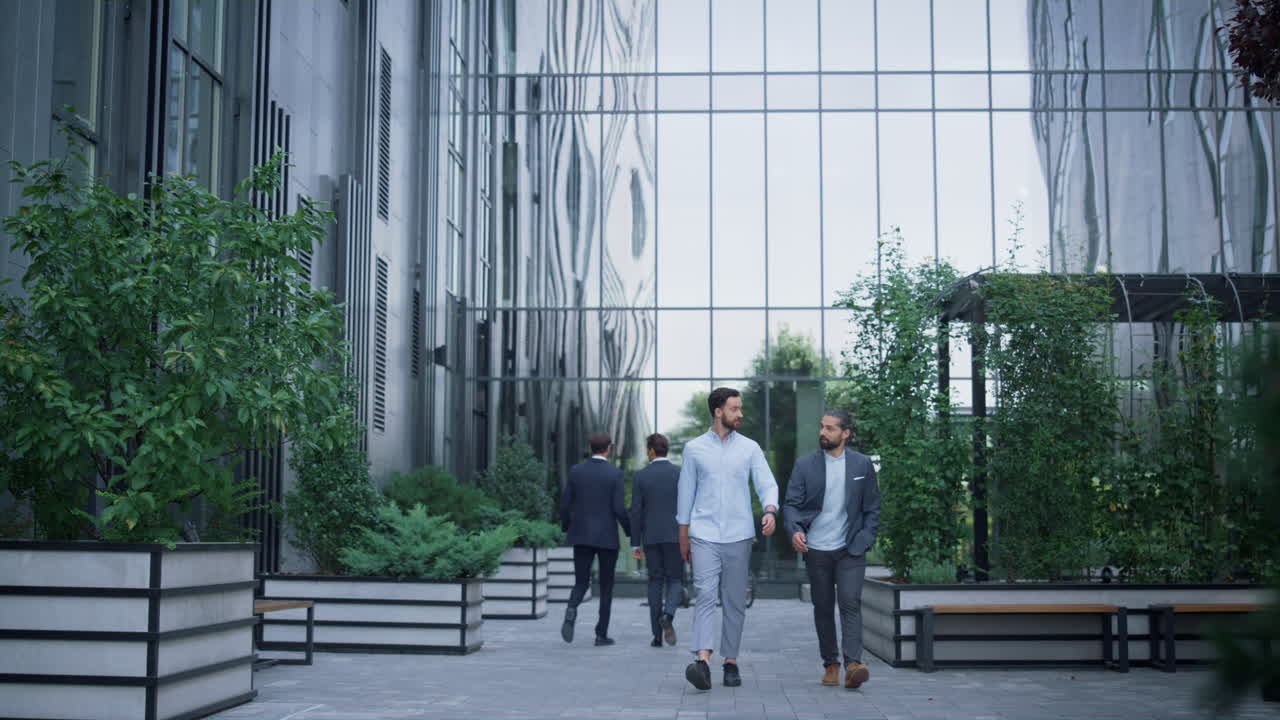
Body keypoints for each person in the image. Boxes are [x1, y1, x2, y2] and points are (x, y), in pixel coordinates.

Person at [676, 387, 779, 690]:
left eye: (740, 408)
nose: (740, 414)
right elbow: (686, 493)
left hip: (739, 534)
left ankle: (730, 661)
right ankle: (703, 660)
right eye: (735, 408)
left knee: (734, 601)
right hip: (704, 534)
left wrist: (771, 510)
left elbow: (766, 482)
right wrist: (683, 534)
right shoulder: (694, 449)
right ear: (718, 411)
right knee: (705, 594)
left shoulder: (749, 448)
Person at [782, 409, 881, 690]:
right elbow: (791, 505)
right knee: (823, 608)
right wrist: (795, 530)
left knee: (850, 603)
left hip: (850, 548)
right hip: (817, 549)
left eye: (830, 428)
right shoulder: (805, 465)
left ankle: (853, 665)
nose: (823, 433)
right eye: (822, 427)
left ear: (845, 433)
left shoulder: (862, 465)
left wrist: (865, 539)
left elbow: (872, 507)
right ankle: (831, 664)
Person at [560, 431, 631, 646]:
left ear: (591, 448)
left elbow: (565, 504)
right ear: (608, 448)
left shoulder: (576, 471)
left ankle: (572, 608)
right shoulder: (615, 474)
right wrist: (629, 530)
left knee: (581, 582)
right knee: (606, 587)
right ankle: (601, 635)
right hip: (607, 537)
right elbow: (619, 508)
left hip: (581, 535)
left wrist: (567, 527)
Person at [629, 432, 683, 648]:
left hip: (651, 537)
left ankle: (656, 637)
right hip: (675, 536)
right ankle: (668, 616)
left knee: (655, 582)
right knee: (676, 580)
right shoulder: (679, 473)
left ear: (652, 450)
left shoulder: (641, 476)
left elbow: (636, 512)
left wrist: (635, 542)